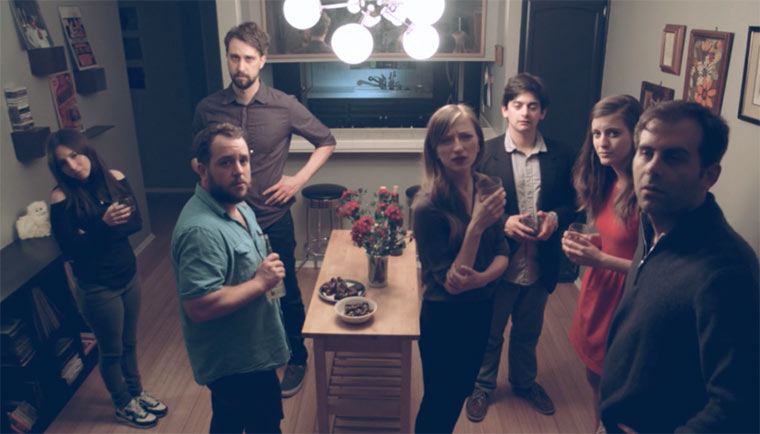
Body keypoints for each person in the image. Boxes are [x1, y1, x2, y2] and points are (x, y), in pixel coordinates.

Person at [192, 21, 336, 397]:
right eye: (234, 58)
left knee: (284, 291)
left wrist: (296, 181)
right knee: (236, 291)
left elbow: (326, 140)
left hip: (272, 218)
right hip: (225, 222)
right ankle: (252, 359)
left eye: (248, 58)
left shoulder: (283, 105)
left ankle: (296, 357)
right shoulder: (208, 109)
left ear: (262, 60)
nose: (240, 66)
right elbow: (198, 161)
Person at [600, 101, 759, 433]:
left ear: (709, 175)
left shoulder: (727, 272)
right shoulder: (652, 223)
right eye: (646, 152)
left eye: (673, 157)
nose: (652, 168)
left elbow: (740, 405)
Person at [465, 73, 576, 421]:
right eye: (517, 105)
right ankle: (481, 386)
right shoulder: (484, 154)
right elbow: (468, 205)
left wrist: (555, 218)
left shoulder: (562, 155)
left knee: (528, 332)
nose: (525, 112)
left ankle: (524, 382)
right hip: (497, 263)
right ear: (505, 109)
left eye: (532, 106)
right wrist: (502, 222)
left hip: (540, 263)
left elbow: (574, 203)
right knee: (490, 332)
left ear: (543, 112)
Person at [171, 123, 290, 433]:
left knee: (228, 421)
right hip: (237, 363)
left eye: (243, 160)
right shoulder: (201, 231)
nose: (239, 171)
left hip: (253, 347)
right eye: (225, 162)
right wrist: (260, 282)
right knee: (265, 426)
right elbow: (198, 306)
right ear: (202, 169)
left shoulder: (239, 206)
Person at [47, 129, 167, 429]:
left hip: (129, 274)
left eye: (75, 155)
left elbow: (135, 223)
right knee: (111, 350)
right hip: (97, 287)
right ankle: (122, 404)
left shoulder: (115, 178)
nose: (72, 166)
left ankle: (136, 392)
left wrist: (90, 233)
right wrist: (104, 224)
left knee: (129, 343)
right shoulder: (61, 197)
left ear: (86, 150)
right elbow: (71, 251)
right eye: (63, 163)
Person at [412, 104, 509, 433]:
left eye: (466, 137)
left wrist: (481, 279)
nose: (458, 147)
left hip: (481, 309)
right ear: (434, 150)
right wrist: (476, 226)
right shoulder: (427, 206)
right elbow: (453, 284)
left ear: (479, 143)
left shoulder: (488, 186)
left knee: (461, 390)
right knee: (439, 399)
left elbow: (503, 251)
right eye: (446, 140)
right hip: (444, 317)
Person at [561, 95, 642, 433]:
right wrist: (590, 243)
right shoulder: (606, 180)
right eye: (596, 134)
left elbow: (659, 267)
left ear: (636, 134)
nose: (602, 142)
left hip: (629, 299)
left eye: (613, 133)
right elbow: (614, 237)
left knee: (620, 386)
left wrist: (600, 258)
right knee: (593, 375)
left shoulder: (648, 192)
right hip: (599, 292)